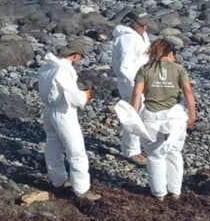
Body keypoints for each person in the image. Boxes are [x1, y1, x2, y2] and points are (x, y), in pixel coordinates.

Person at [130, 39, 197, 201]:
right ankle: (175, 191)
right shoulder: (178, 69)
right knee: (174, 152)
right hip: (174, 116)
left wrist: (133, 115)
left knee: (154, 155)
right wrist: (192, 115)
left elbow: (137, 94)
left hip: (151, 116)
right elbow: (188, 92)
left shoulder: (145, 69)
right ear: (171, 54)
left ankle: (159, 193)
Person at [37, 43, 100, 201]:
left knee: (53, 146)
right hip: (63, 112)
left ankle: (57, 181)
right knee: (76, 152)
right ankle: (82, 191)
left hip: (48, 110)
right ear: (74, 55)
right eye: (80, 56)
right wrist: (84, 97)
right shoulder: (65, 69)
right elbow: (74, 97)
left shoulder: (46, 67)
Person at [112, 12, 152, 165]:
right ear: (132, 22)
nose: (144, 26)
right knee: (134, 112)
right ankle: (131, 150)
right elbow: (124, 67)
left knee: (140, 111)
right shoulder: (127, 39)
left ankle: (132, 145)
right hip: (131, 82)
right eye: (141, 24)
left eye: (145, 24)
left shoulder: (141, 34)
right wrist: (138, 83)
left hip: (140, 78)